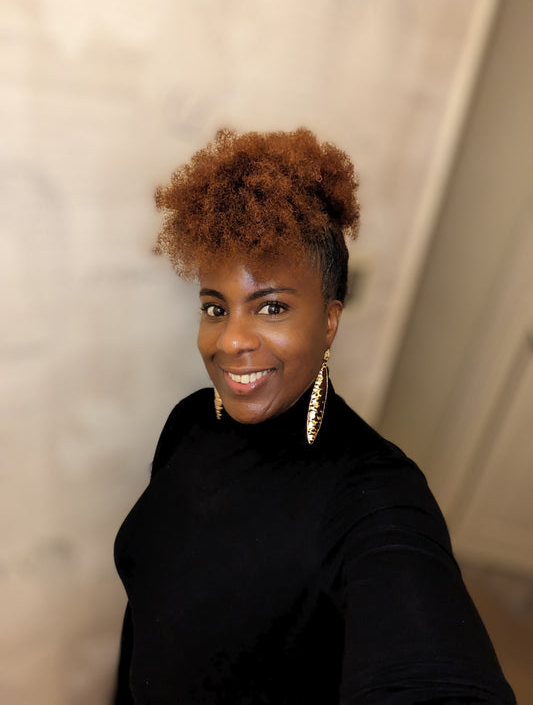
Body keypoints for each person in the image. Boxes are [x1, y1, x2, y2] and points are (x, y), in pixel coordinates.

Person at [113, 128, 515, 704]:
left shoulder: (374, 496)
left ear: (329, 321)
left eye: (271, 306)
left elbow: (427, 660)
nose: (231, 340)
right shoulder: (190, 422)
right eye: (215, 308)